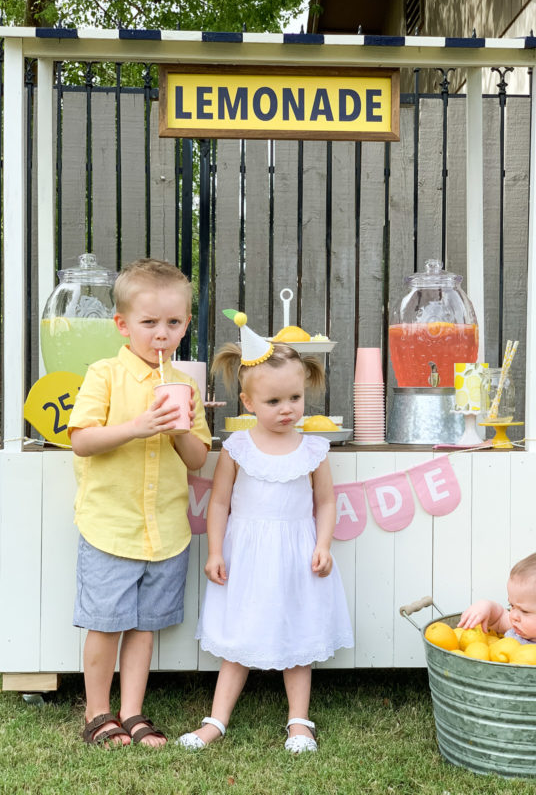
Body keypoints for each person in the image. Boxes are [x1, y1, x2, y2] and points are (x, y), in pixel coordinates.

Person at [178, 312, 353, 753]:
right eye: (274, 401)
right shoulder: (237, 447)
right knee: (237, 638)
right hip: (247, 555)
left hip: (296, 554)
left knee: (298, 637)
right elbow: (219, 502)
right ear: (249, 403)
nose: (288, 408)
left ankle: (299, 721)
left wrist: (324, 544)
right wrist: (215, 551)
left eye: (295, 397)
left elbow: (325, 501)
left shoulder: (314, 447)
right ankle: (216, 720)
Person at [68, 258, 211, 747]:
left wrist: (176, 431)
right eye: (149, 323)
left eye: (173, 323)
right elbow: (82, 439)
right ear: (123, 325)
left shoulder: (186, 385)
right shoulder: (105, 374)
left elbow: (196, 458)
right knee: (107, 624)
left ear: (186, 324)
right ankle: (97, 711)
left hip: (165, 527)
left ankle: (131, 711)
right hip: (112, 523)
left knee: (144, 627)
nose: (161, 334)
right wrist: (138, 427)